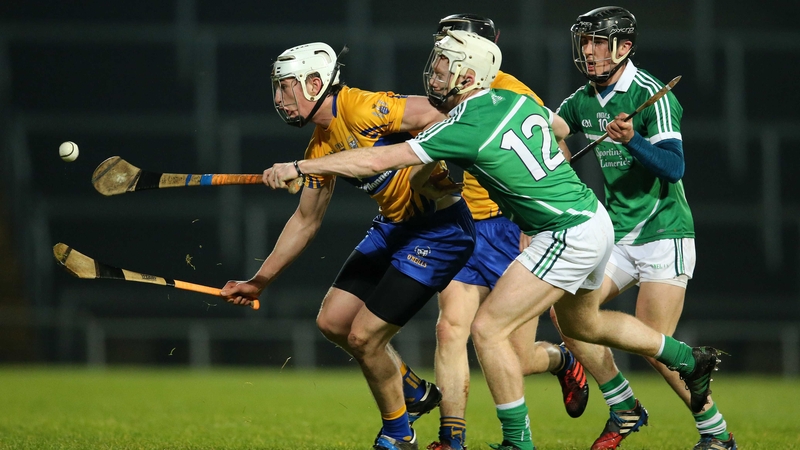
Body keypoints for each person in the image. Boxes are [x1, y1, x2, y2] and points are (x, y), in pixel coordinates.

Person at [263, 29, 723, 450]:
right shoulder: (513, 102)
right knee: (583, 326)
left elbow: (374, 161)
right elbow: (560, 128)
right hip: (591, 219)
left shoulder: (462, 126)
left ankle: (517, 443)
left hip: (564, 232)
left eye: (443, 67)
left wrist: (302, 167)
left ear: (467, 75)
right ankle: (686, 356)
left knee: (487, 330)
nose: (433, 73)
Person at [219, 42, 476, 450]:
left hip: (439, 230)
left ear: (316, 82)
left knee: (364, 338)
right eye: (277, 90)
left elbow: (446, 113)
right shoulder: (319, 144)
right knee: (333, 323)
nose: (280, 100)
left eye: (287, 88)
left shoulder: (363, 108)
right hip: (393, 226)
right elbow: (305, 221)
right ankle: (412, 390)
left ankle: (398, 434)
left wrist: (431, 166)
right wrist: (259, 280)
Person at [555, 7, 737, 450]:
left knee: (655, 348)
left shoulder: (653, 94)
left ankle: (717, 435)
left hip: (664, 233)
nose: (589, 50)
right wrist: (560, 168)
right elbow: (550, 129)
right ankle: (624, 406)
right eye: (585, 41)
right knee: (569, 315)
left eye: (599, 41)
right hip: (616, 235)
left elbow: (674, 168)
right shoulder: (582, 100)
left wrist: (631, 140)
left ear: (624, 47)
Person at [425, 14, 589, 450]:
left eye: (451, 43)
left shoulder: (511, 90)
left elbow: (560, 149)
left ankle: (560, 360)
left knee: (516, 354)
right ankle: (451, 438)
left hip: (510, 228)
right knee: (449, 329)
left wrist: (537, 229)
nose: (441, 54)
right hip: (464, 224)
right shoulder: (442, 89)